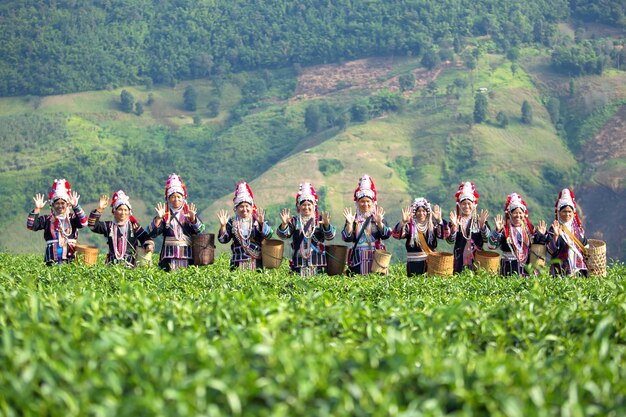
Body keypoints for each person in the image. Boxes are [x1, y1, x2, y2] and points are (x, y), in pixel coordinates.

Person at [147, 173, 205, 271]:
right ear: (168, 199)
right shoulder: (165, 215)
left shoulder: (188, 214)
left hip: (188, 256)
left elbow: (201, 232)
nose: (176, 199)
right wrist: (158, 218)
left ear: (183, 198)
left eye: (179, 196)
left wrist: (193, 219)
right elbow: (150, 233)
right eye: (173, 197)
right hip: (168, 257)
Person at [277, 183, 336, 277]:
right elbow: (283, 235)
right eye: (303, 205)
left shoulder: (320, 220)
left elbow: (330, 236)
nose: (306, 207)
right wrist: (284, 225)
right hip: (299, 262)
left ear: (314, 206)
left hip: (318, 262)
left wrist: (326, 225)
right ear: (299, 206)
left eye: (309, 204)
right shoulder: (294, 221)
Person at [26, 178, 88, 265]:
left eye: (63, 203)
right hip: (52, 260)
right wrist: (37, 209)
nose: (60, 206)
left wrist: (76, 206)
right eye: (57, 203)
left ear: (67, 204)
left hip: (71, 260)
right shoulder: (47, 219)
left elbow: (84, 222)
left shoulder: (72, 218)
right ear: (53, 205)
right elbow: (31, 225)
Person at [88, 190, 154, 267]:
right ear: (115, 211)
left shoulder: (134, 226)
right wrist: (99, 209)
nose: (123, 213)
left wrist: (149, 245)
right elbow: (92, 226)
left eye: (125, 210)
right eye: (120, 210)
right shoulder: (109, 226)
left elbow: (145, 237)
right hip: (112, 264)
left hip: (130, 265)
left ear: (129, 212)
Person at [342, 174, 392, 275]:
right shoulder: (353, 219)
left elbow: (386, 236)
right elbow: (348, 239)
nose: (365, 204)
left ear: (372, 203)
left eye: (368, 201)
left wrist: (379, 223)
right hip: (358, 260)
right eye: (362, 201)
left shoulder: (378, 217)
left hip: (376, 259)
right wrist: (350, 225)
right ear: (357, 203)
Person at [487, 193, 547, 276]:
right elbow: (491, 246)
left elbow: (538, 248)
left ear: (524, 214)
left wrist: (540, 235)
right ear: (510, 214)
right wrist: (497, 230)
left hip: (527, 269)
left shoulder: (529, 229)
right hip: (509, 268)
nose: (518, 215)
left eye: (520, 213)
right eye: (515, 213)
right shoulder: (504, 229)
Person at [217, 182, 273, 270]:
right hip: (237, 263)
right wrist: (223, 226)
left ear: (251, 207)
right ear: (236, 208)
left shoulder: (257, 220)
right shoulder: (232, 222)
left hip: (256, 263)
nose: (244, 209)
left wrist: (262, 224)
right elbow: (223, 240)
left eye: (247, 206)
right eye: (241, 207)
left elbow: (269, 235)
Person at [393, 197, 449, 276]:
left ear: (427, 212)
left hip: (430, 264)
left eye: (424, 211)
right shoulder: (410, 227)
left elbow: (444, 235)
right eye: (418, 211)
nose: (421, 213)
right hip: (414, 265)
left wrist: (439, 221)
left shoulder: (432, 226)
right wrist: (403, 222)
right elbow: (396, 235)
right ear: (415, 213)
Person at [446, 181, 491, 273]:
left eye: (469, 203)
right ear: (459, 205)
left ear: (474, 205)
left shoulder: (479, 220)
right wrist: (454, 227)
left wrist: (482, 226)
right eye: (464, 203)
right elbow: (450, 241)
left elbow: (487, 240)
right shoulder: (456, 221)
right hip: (459, 261)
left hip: (477, 260)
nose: (466, 206)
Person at [546, 188, 588, 276]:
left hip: (579, 272)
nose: (567, 214)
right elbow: (550, 251)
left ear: (573, 213)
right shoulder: (553, 229)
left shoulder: (578, 230)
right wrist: (556, 236)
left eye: (570, 211)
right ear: (558, 212)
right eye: (564, 211)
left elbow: (585, 246)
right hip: (560, 271)